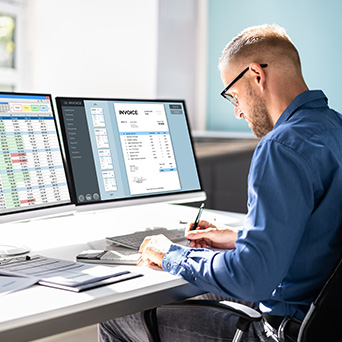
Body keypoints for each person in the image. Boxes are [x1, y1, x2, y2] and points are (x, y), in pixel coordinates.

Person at [99, 24, 342, 342]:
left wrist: (171, 253)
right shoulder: (333, 127)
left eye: (234, 95)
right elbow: (321, 232)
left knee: (116, 319)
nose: (238, 111)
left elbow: (252, 277)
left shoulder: (281, 146)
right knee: (193, 297)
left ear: (256, 75)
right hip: (322, 316)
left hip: (282, 331)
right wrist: (240, 237)